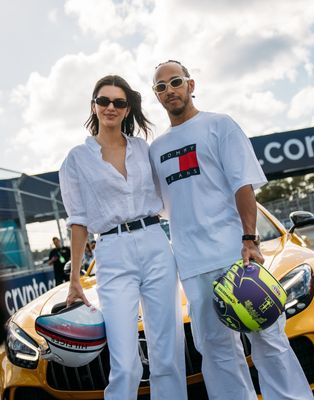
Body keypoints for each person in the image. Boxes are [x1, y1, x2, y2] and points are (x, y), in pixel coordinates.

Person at [149, 60, 314, 400]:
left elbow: (243, 186)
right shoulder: (156, 149)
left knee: (268, 338)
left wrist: (250, 239)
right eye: (161, 87)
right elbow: (160, 206)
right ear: (156, 96)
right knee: (216, 350)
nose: (169, 90)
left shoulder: (219, 126)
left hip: (234, 255)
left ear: (191, 85)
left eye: (175, 82)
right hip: (193, 265)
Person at [59, 75, 187, 400]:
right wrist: (74, 278)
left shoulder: (145, 149)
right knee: (126, 364)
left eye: (118, 102)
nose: (110, 107)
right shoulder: (76, 159)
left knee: (167, 353)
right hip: (113, 252)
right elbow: (78, 222)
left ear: (127, 108)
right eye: (104, 101)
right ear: (94, 106)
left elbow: (173, 193)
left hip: (156, 243)